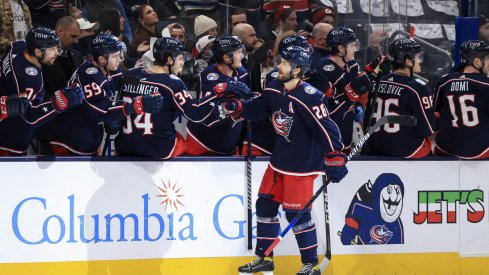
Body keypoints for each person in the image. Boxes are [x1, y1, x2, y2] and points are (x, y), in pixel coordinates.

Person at [220, 45, 346, 275]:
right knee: (264, 206)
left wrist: (335, 155)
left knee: (297, 215)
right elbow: (258, 109)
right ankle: (265, 258)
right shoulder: (274, 88)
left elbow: (328, 128)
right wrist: (238, 108)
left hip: (302, 166)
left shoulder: (310, 97)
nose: (279, 66)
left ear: (297, 70)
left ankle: (310, 264)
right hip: (279, 161)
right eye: (280, 62)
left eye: (285, 64)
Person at [47, 33, 162, 155]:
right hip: (70, 141)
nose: (119, 60)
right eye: (115, 56)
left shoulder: (106, 66)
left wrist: (148, 73)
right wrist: (135, 105)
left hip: (87, 138)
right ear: (102, 58)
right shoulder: (88, 76)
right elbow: (104, 111)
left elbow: (122, 80)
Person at [115, 37, 221, 158]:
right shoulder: (172, 83)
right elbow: (195, 113)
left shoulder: (131, 73)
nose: (182, 62)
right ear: (170, 59)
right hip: (159, 149)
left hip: (124, 147)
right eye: (180, 58)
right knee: (185, 143)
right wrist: (217, 95)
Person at [0, 27, 83, 155]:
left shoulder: (19, 47)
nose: (57, 53)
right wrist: (59, 102)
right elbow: (29, 116)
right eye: (52, 49)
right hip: (9, 143)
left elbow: (10, 47)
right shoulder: (29, 80)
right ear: (38, 51)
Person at [363, 38, 436, 158]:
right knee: (430, 143)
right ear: (408, 61)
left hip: (374, 146)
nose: (420, 61)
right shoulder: (418, 87)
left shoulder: (376, 82)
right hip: (404, 150)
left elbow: (366, 121)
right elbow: (427, 129)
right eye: (418, 57)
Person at [309, 27, 371, 152]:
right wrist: (350, 96)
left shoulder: (352, 65)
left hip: (346, 130)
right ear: (341, 49)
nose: (355, 49)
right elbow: (325, 112)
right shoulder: (325, 69)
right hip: (328, 137)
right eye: (352, 45)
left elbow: (358, 89)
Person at [186, 35, 249, 155]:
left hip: (229, 143)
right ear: (226, 57)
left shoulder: (241, 72)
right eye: (239, 52)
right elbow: (208, 118)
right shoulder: (209, 77)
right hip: (202, 144)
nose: (242, 56)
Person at [433, 40, 489, 159]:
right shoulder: (486, 85)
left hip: (446, 147)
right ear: (477, 61)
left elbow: (435, 112)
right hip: (480, 149)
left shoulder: (444, 82)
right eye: (488, 58)